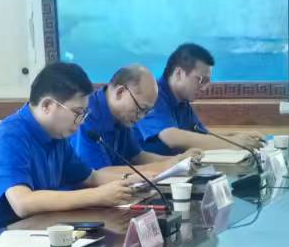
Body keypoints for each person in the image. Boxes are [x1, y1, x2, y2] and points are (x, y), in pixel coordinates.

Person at [0, 62, 141, 238]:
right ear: (47, 105)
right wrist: (98, 195)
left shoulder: (56, 135)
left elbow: (91, 177)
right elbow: (23, 202)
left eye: (84, 114)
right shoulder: (8, 137)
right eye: (77, 112)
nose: (81, 121)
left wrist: (137, 182)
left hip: (42, 230)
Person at [71, 64, 199, 178]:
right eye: (140, 109)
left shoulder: (122, 117)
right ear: (120, 92)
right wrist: (165, 166)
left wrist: (178, 160)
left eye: (147, 112)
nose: (141, 117)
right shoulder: (86, 115)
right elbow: (99, 173)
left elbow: (137, 156)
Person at [136, 43, 264, 154]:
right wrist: (234, 143)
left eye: (207, 82)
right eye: (201, 80)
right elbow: (171, 137)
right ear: (179, 73)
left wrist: (238, 136)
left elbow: (202, 135)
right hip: (147, 170)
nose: (204, 87)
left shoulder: (182, 101)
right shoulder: (153, 94)